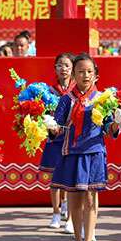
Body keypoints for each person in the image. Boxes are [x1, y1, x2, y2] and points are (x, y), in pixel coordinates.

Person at [49, 54, 121, 241]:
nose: (85, 75)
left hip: (93, 153)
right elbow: (57, 126)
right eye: (81, 71)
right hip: (72, 153)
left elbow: (109, 130)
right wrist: (52, 127)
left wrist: (118, 123)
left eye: (89, 72)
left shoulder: (103, 99)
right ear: (73, 74)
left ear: (96, 75)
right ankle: (76, 239)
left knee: (91, 199)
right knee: (75, 198)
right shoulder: (66, 99)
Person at [39, 54, 74, 230]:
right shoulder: (48, 91)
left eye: (67, 65)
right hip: (55, 136)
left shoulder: (77, 91)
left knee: (69, 176)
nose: (63, 68)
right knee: (54, 177)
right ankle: (55, 213)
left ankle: (69, 218)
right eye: (59, 65)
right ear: (55, 69)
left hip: (72, 137)